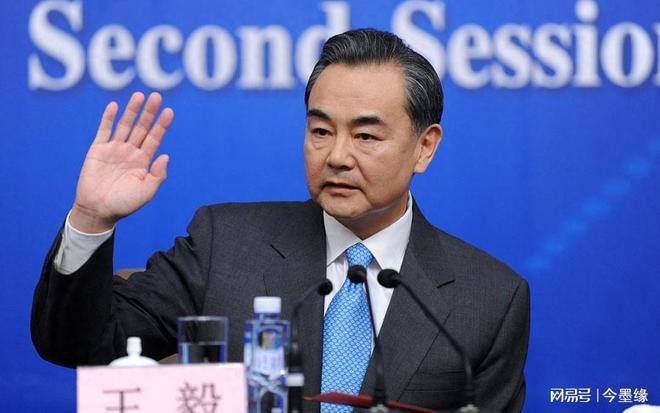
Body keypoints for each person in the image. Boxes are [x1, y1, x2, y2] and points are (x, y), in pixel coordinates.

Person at [32, 29, 530, 412]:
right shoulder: (225, 245)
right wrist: (91, 218)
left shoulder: (489, 299)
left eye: (365, 137)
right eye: (320, 131)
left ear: (425, 147)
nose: (337, 156)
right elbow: (81, 346)